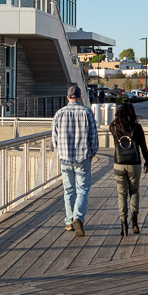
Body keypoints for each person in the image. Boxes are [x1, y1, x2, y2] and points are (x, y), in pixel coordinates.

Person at [52, 84, 98, 237]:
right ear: (79, 97)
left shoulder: (59, 114)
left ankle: (69, 221)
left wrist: (60, 151)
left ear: (67, 97)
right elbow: (93, 137)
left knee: (68, 190)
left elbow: (55, 139)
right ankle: (78, 216)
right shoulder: (87, 112)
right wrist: (92, 153)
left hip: (65, 158)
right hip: (82, 157)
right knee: (82, 189)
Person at [107, 100, 148, 236]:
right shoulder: (137, 128)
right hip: (134, 164)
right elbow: (143, 146)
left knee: (122, 194)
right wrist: (147, 162)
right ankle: (135, 222)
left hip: (119, 163)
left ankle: (123, 224)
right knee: (134, 191)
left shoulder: (113, 127)